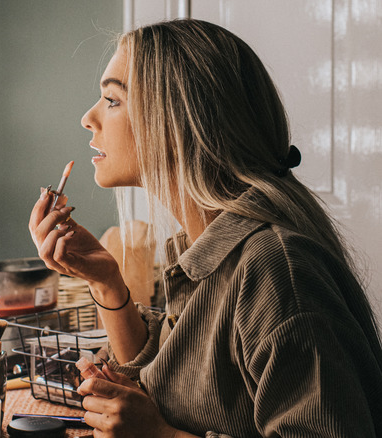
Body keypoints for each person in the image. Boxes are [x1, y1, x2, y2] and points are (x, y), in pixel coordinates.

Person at [29, 19, 382, 437]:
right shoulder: (204, 252)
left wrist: (161, 436)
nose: (89, 118)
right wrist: (106, 282)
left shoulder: (273, 270)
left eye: (111, 99)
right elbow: (181, 393)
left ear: (177, 119)